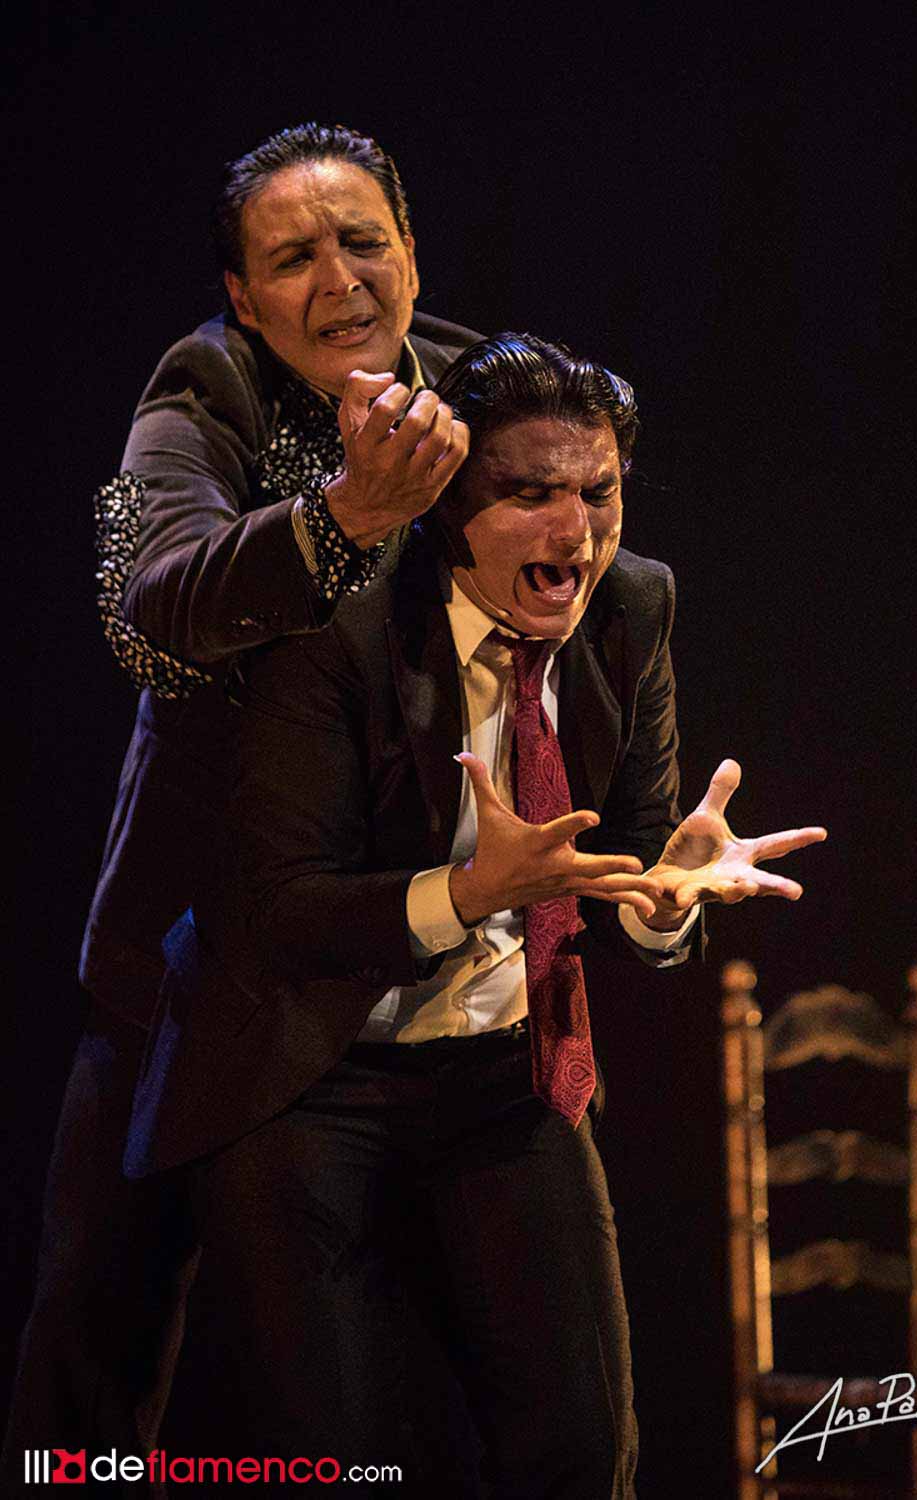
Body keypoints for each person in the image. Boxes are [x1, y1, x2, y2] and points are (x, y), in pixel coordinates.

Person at [129, 334, 827, 1497]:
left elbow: (632, 851)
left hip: (506, 1069)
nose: (576, 531)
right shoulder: (339, 622)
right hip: (307, 1069)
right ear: (449, 506)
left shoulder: (633, 602)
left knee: (583, 1449)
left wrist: (666, 898)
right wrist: (465, 895)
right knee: (341, 1460)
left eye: (598, 491)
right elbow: (274, 914)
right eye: (531, 494)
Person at [3, 121, 478, 1490]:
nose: (339, 279)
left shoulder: (483, 388)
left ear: (410, 251)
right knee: (92, 1370)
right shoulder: (200, 388)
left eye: (363, 240)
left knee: (406, 1385)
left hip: (410, 959)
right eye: (293, 258)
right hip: (193, 963)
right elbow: (146, 615)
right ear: (243, 297)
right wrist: (343, 519)